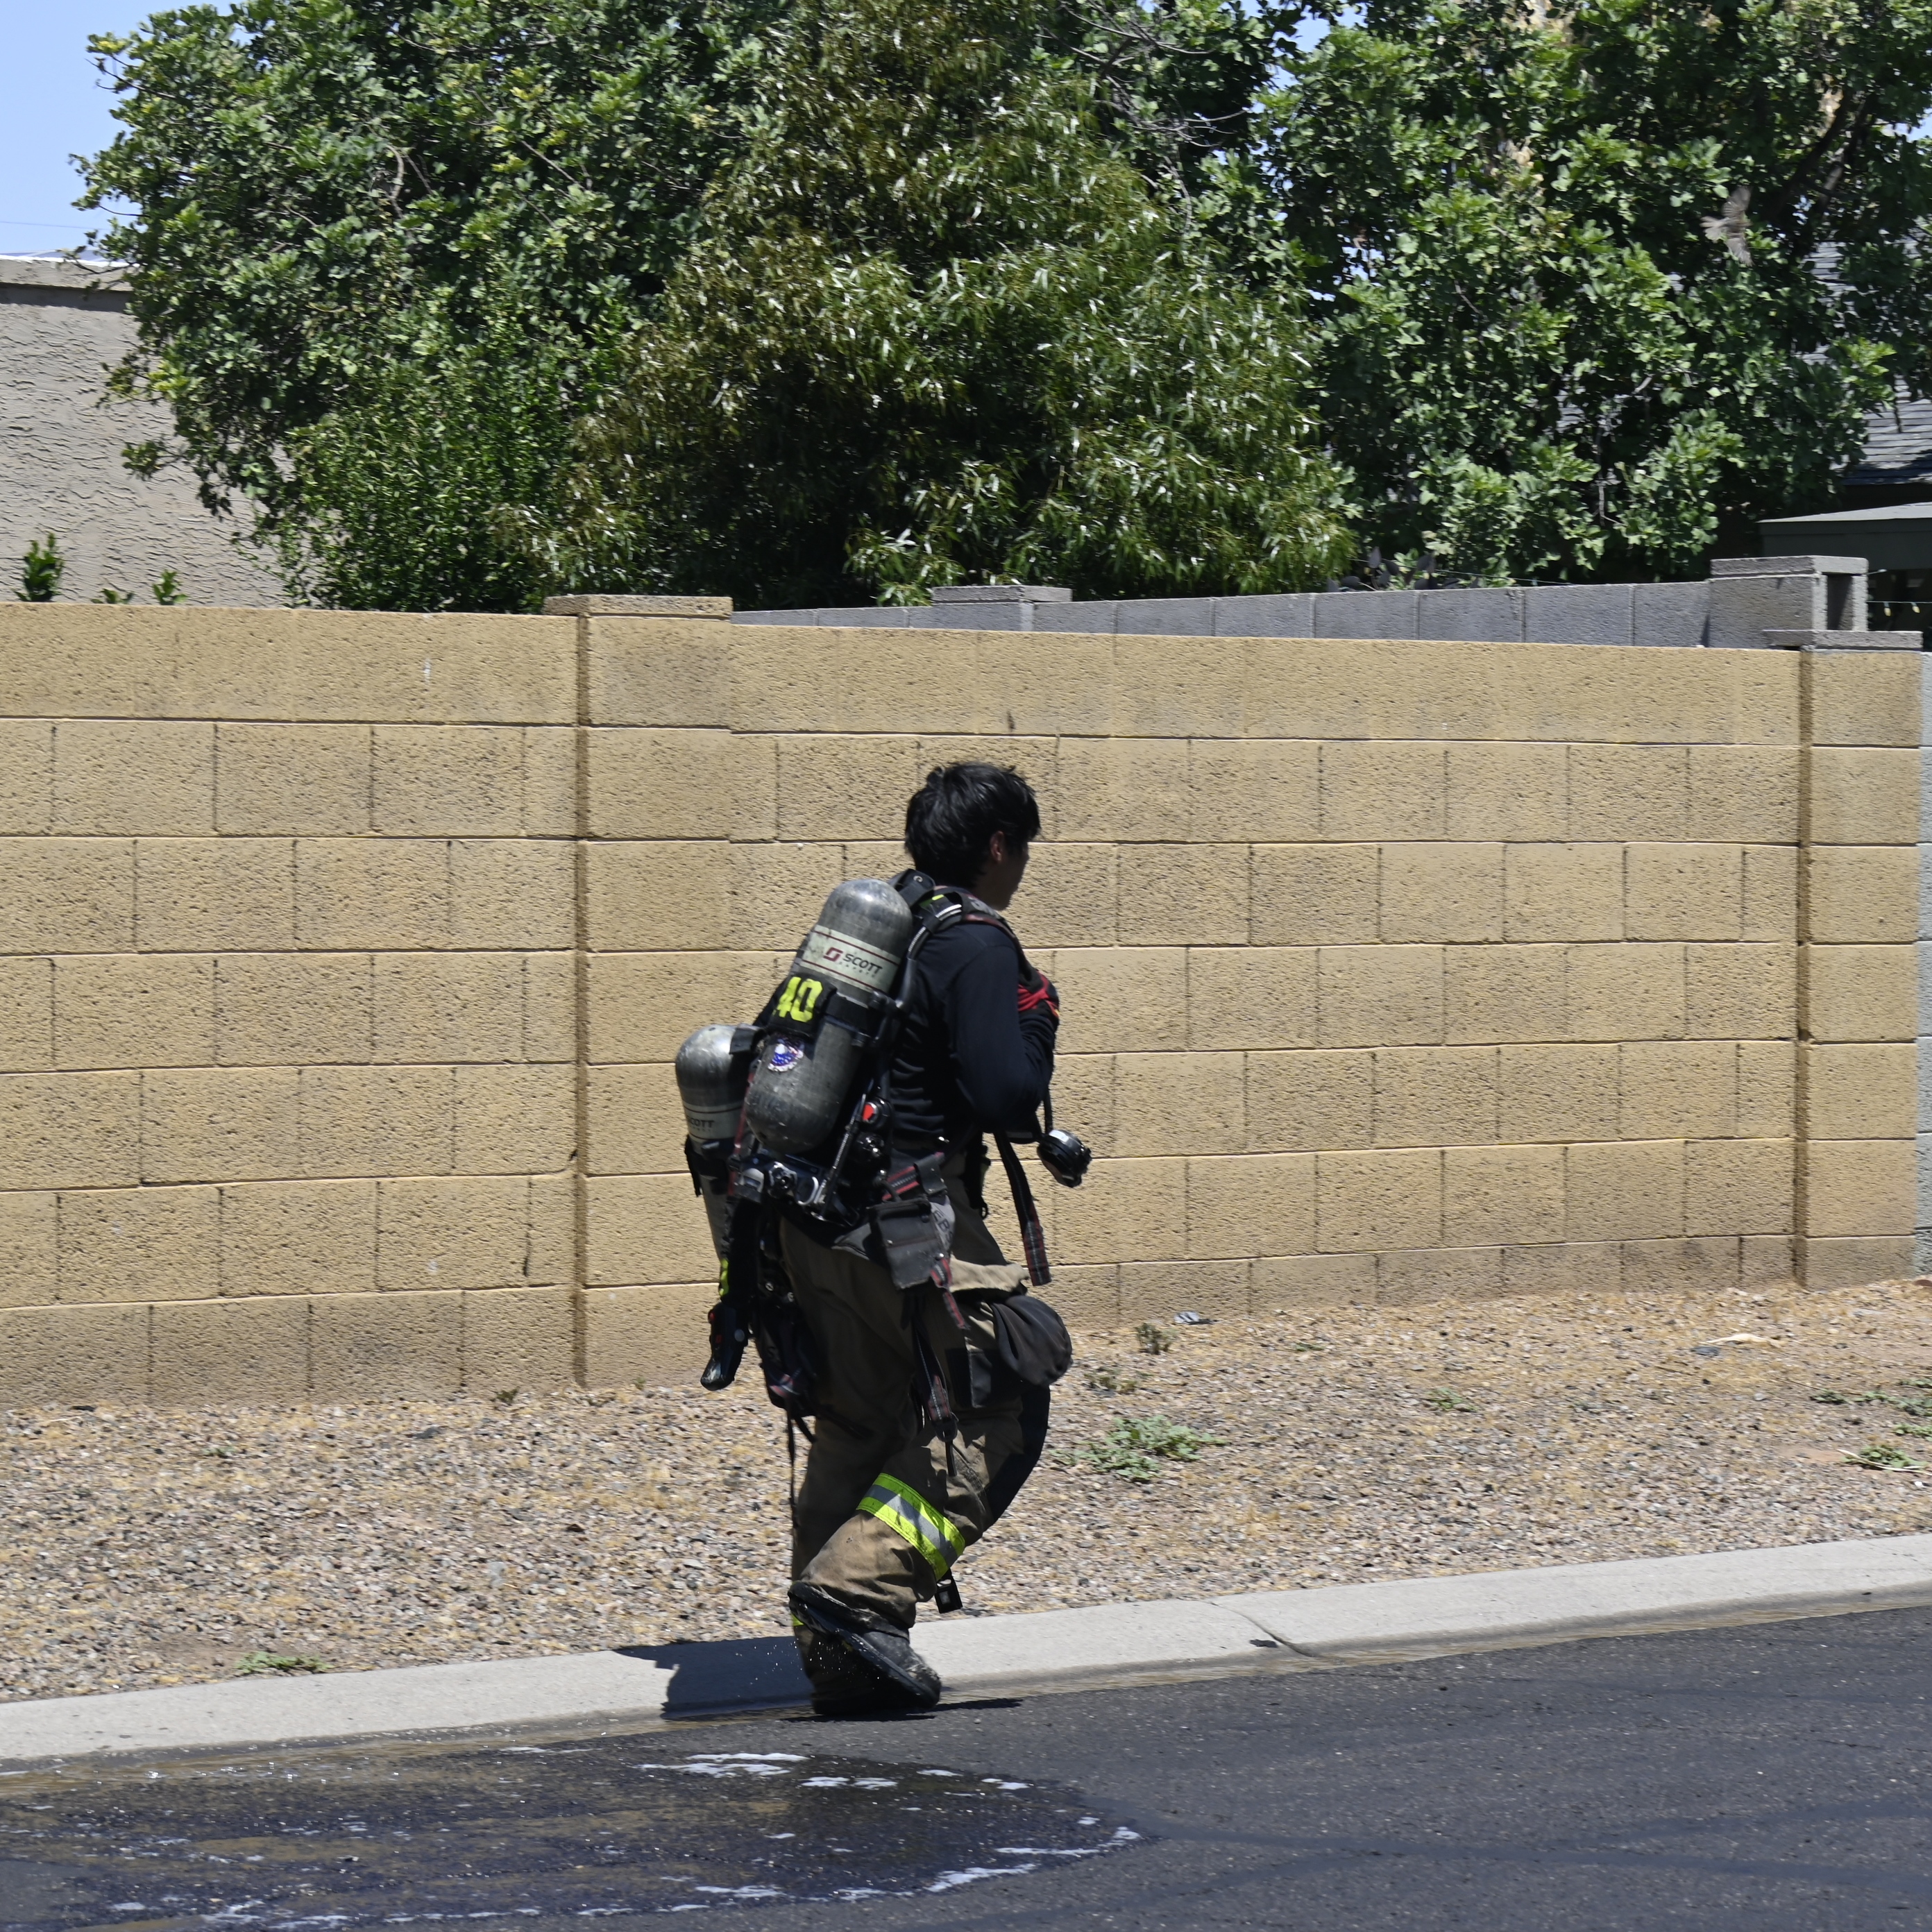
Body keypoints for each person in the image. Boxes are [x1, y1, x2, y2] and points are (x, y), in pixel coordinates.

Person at [781, 761, 1061, 1717]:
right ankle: (856, 1595)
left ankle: (837, 1647)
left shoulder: (883, 921)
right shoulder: (973, 939)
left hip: (813, 1218)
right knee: (1000, 1400)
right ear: (998, 846)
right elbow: (1008, 1098)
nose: (1022, 868)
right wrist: (1039, 1023)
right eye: (1022, 849)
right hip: (907, 1219)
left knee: (863, 1419)